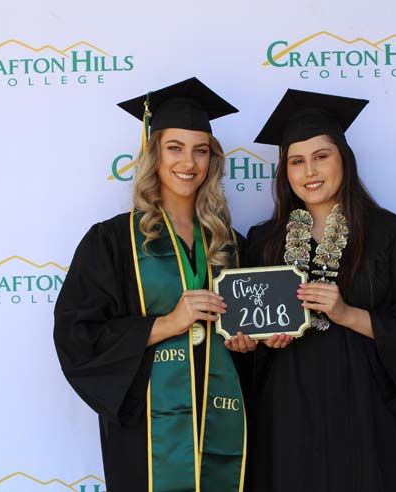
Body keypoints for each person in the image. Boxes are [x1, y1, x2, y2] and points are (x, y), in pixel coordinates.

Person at [242, 89, 396, 492]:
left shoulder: (394, 235)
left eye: (322, 156)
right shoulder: (261, 242)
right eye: (297, 161)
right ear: (284, 172)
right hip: (284, 417)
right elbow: (244, 336)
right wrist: (255, 343)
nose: (310, 171)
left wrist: (348, 315)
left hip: (366, 416)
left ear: (344, 158)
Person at [54, 77, 256, 492]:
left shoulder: (232, 244)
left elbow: (255, 348)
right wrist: (167, 323)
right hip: (147, 432)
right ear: (154, 154)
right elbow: (78, 336)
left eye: (201, 150)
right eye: (175, 148)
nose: (189, 162)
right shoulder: (112, 241)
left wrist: (248, 345)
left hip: (223, 421)